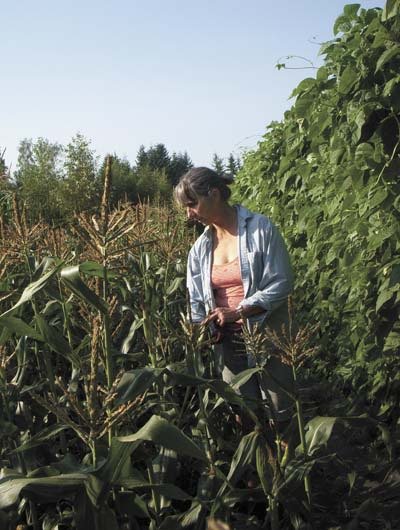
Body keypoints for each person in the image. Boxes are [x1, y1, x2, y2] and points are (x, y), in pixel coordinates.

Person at [174, 166, 294, 427]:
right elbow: (196, 300)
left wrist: (239, 311)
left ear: (214, 194)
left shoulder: (260, 229)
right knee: (243, 411)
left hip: (267, 334)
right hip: (227, 343)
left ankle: (290, 464)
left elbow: (281, 282)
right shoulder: (200, 249)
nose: (189, 214)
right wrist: (200, 331)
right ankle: (259, 464)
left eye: (192, 204)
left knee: (280, 410)